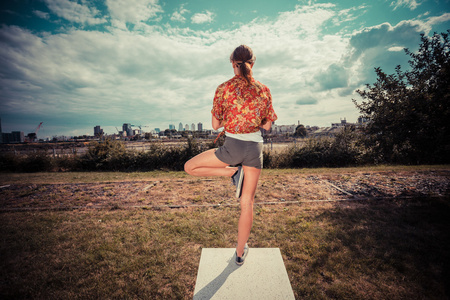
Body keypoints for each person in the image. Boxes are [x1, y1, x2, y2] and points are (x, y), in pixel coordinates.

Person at [184, 45, 277, 265]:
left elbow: (216, 125)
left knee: (189, 167)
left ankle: (233, 173)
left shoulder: (223, 88)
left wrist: (231, 119)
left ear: (232, 62)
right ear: (252, 63)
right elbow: (268, 125)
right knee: (247, 203)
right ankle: (239, 252)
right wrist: (250, 119)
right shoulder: (263, 89)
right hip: (255, 150)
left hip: (232, 148)